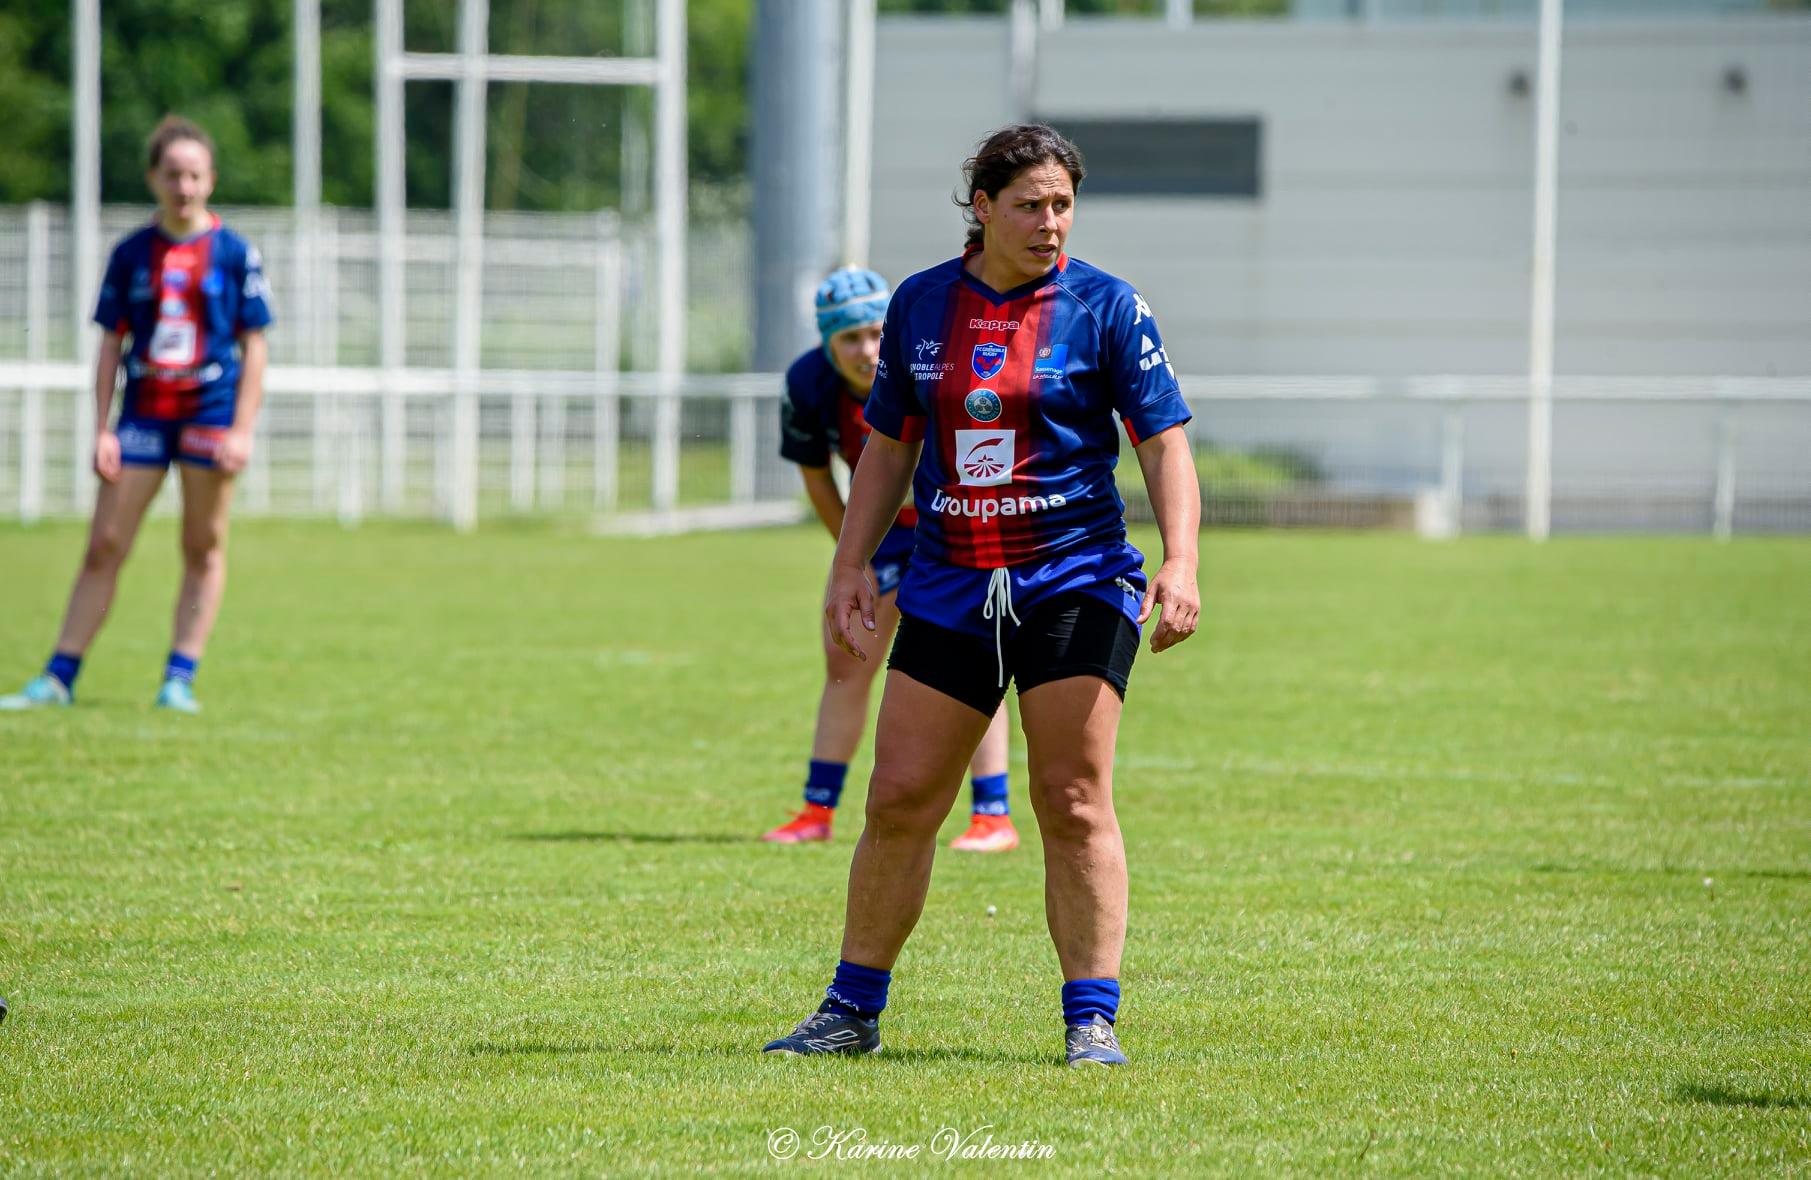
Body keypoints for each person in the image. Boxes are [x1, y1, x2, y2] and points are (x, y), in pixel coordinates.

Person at [761, 124, 1201, 1067]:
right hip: (952, 579)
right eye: (1031, 205)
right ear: (983, 208)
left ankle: (1090, 1020)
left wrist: (1181, 560)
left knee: (1071, 795)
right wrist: (848, 565)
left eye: (1063, 205)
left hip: (1074, 576)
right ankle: (850, 1012)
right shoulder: (921, 304)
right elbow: (888, 446)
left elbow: (1160, 440)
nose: (1051, 223)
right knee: (901, 795)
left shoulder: (1108, 307)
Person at [0, 116, 272, 715]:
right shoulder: (131, 255)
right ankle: (59, 676)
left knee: (201, 544)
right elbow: (109, 345)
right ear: (154, 177)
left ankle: (180, 677)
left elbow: (255, 345)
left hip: (209, 412)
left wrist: (242, 430)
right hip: (143, 414)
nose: (184, 186)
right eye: (173, 174)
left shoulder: (234, 254)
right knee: (105, 542)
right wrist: (102, 429)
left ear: (211, 180)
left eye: (195, 174)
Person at [763, 267, 1020, 854]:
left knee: (971, 667)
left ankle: (992, 815)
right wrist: (852, 561)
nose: (866, 350)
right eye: (848, 338)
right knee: (844, 660)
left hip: (950, 533)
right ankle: (816, 809)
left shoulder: (930, 364)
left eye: (876, 333)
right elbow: (818, 478)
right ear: (827, 344)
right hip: (880, 540)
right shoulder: (807, 384)